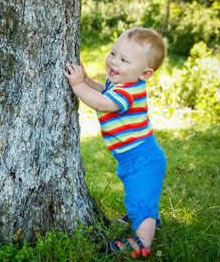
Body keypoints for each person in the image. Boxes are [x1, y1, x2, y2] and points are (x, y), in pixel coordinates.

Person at [64, 28, 167, 258]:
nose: (113, 62)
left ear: (145, 73)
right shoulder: (123, 85)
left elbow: (102, 102)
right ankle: (140, 217)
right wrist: (88, 80)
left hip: (141, 160)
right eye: (113, 53)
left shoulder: (129, 93)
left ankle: (142, 243)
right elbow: (104, 91)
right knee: (140, 196)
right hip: (138, 157)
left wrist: (78, 86)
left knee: (141, 200)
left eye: (124, 60)